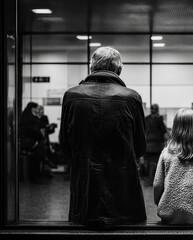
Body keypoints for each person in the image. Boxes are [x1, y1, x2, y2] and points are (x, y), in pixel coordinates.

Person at [59, 47, 147, 228]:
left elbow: (65, 144)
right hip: (122, 186)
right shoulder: (131, 97)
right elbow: (140, 146)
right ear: (119, 69)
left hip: (85, 184)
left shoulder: (71, 96)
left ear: (91, 67)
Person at [153, 108, 193, 225]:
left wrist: (161, 203)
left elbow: (157, 184)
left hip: (168, 213)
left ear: (175, 128)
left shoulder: (166, 153)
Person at [19, 102, 48, 183]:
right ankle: (45, 157)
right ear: (32, 108)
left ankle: (45, 157)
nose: (37, 110)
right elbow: (33, 128)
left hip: (29, 140)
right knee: (39, 149)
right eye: (36, 108)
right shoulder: (29, 117)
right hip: (28, 141)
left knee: (40, 144)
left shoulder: (26, 116)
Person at [143, 104, 167, 186]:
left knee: (149, 162)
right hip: (157, 145)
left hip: (148, 144)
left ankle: (149, 179)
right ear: (157, 110)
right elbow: (163, 130)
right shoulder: (159, 118)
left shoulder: (146, 119)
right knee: (156, 162)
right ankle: (153, 180)